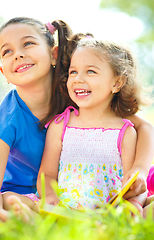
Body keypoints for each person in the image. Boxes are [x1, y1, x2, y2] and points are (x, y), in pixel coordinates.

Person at [0, 17, 73, 227]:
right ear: (4, 73)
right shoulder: (10, 113)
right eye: (7, 51)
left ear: (53, 54)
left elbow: (136, 125)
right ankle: (4, 223)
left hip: (65, 198)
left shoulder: (74, 98)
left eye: (28, 43)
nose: (18, 54)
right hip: (12, 197)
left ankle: (14, 227)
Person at [37, 34, 153, 213]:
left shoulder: (125, 132)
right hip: (64, 211)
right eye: (73, 72)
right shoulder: (60, 125)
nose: (78, 79)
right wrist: (50, 196)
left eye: (90, 71)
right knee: (15, 200)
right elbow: (47, 174)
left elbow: (129, 187)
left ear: (117, 83)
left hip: (106, 215)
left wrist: (130, 207)